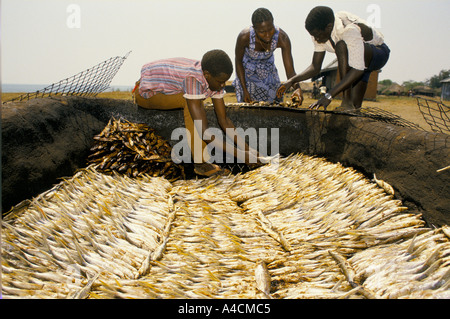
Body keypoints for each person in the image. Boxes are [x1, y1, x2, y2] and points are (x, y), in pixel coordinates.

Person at [133, 49, 259, 177]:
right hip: (145, 93)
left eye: (225, 81)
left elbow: (224, 120)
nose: (223, 85)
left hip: (170, 88)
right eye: (220, 82)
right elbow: (204, 132)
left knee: (195, 100)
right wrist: (241, 155)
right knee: (189, 102)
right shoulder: (192, 79)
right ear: (207, 75)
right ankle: (201, 164)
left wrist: (248, 149)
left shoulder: (213, 79)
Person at [277, 6, 390, 111]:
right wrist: (291, 81)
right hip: (359, 63)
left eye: (317, 35)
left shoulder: (348, 30)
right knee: (355, 109)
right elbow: (315, 67)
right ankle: (349, 105)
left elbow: (357, 69)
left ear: (329, 27)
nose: (315, 39)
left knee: (340, 46)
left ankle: (346, 101)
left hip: (377, 53)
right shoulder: (319, 31)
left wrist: (329, 95)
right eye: (313, 35)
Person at [233, 7, 303, 105]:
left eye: (270, 29)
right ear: (254, 28)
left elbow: (290, 71)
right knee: (249, 109)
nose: (267, 35)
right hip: (247, 76)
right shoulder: (244, 37)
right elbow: (238, 61)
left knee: (273, 107)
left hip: (268, 75)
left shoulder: (282, 38)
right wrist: (244, 89)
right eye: (262, 32)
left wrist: (297, 88)